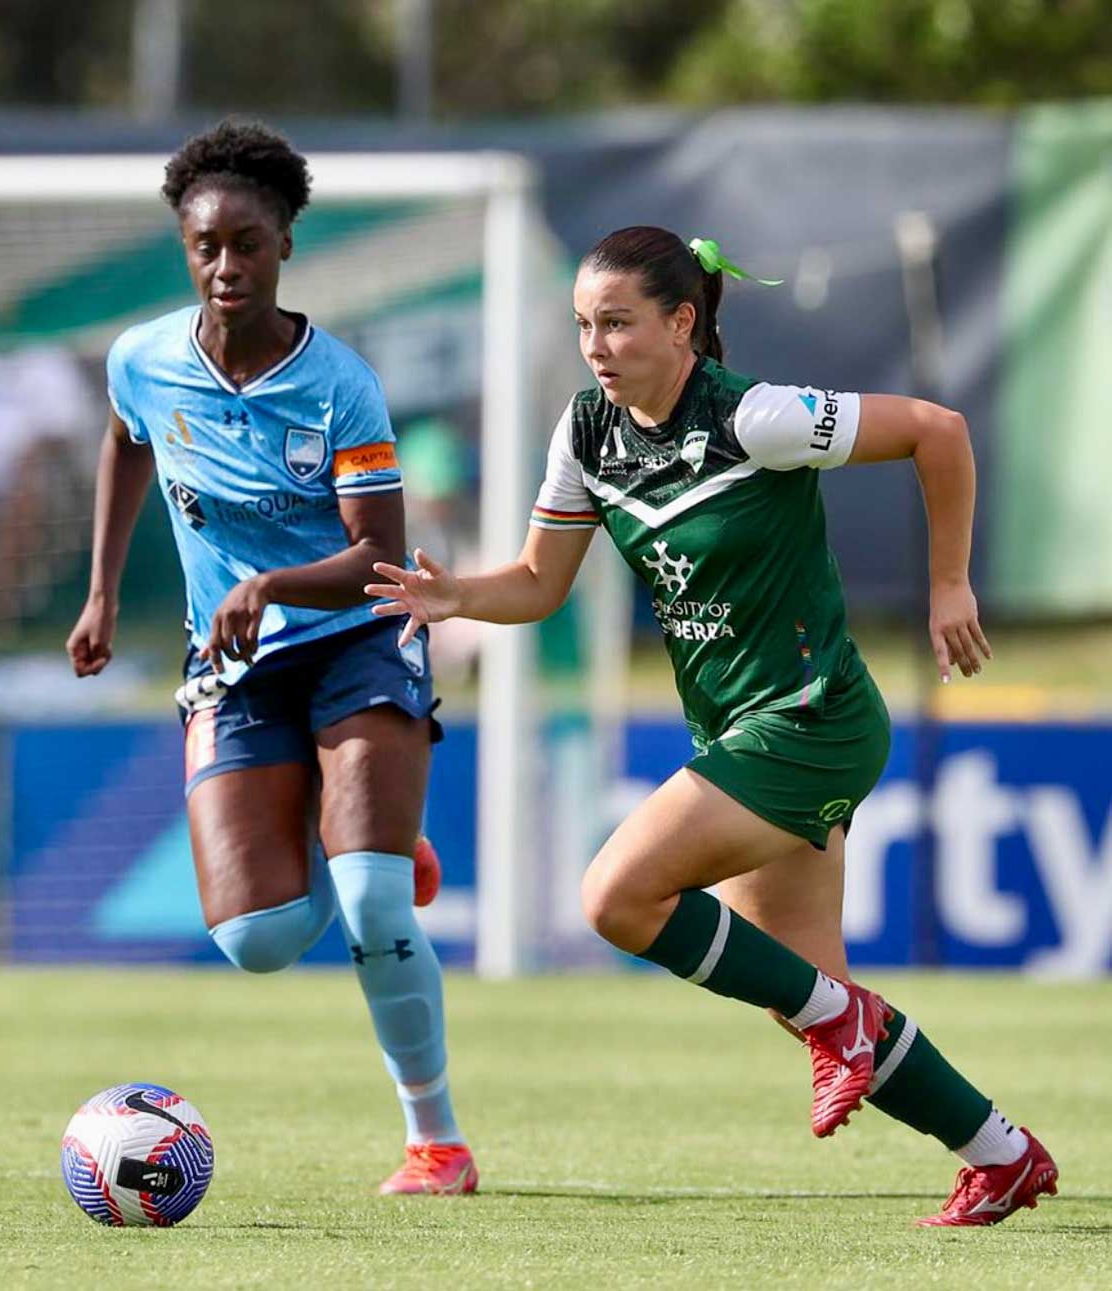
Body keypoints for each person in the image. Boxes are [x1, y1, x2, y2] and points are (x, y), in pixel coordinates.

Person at [366, 225, 1058, 1225]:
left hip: (813, 719)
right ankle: (999, 1154)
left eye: (617, 322)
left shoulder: (759, 419)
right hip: (736, 732)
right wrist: (457, 598)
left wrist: (948, 584)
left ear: (682, 321)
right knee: (804, 995)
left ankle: (852, 1028)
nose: (595, 346)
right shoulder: (586, 434)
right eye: (582, 326)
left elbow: (937, 429)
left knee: (615, 896)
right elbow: (536, 582)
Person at [65, 120, 475, 1197]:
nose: (225, 266)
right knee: (253, 936)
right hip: (233, 658)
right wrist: (104, 591)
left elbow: (379, 558)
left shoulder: (341, 386)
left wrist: (268, 585)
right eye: (205, 245)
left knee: (379, 909)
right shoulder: (143, 358)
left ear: (286, 242)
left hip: (357, 639)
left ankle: (436, 1141)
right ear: (183, 246)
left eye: (247, 243)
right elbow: (123, 438)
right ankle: (364, 845)